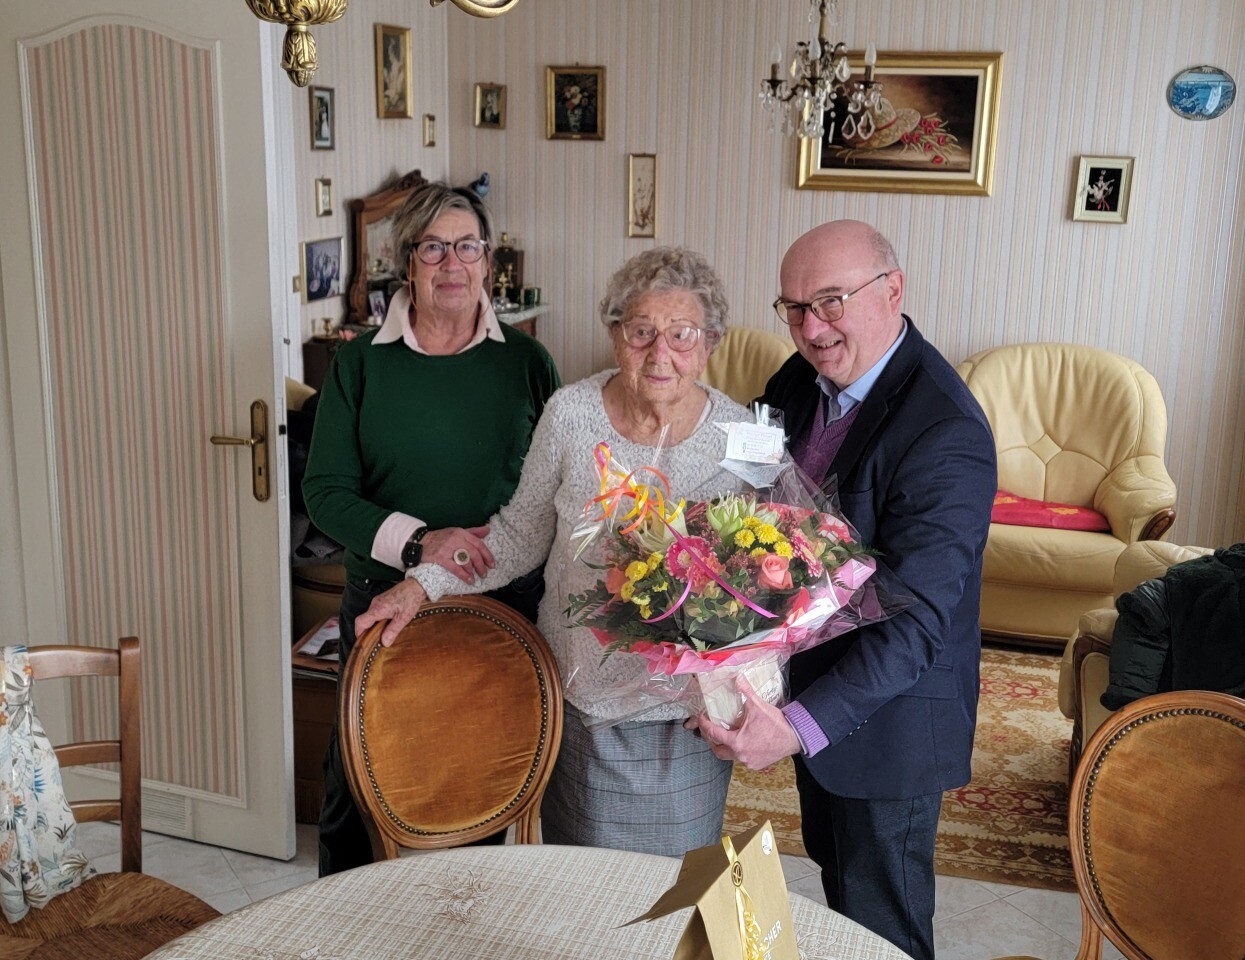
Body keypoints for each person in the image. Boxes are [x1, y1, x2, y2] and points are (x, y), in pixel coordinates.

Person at [355, 246, 751, 857]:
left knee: (676, 897)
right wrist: (419, 585)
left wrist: (751, 691)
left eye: (681, 334)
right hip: (578, 704)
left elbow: (760, 582)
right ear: (615, 335)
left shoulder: (741, 435)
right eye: (641, 331)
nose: (660, 352)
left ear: (711, 344)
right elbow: (518, 536)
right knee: (579, 891)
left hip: (686, 718)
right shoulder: (570, 415)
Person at [687, 220, 996, 960]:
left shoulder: (943, 429)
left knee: (881, 930)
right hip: (815, 702)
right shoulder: (801, 381)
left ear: (893, 291)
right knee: (838, 906)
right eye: (793, 308)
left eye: (830, 302)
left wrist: (797, 725)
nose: (811, 327)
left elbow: (916, 622)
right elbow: (754, 501)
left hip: (886, 725)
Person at [303, 181, 560, 876]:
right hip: (386, 609)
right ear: (406, 261)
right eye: (435, 248)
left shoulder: (527, 364)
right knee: (360, 791)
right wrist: (423, 542)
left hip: (499, 609)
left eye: (468, 246)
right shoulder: (360, 365)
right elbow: (325, 494)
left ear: (488, 257)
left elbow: (553, 491)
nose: (454, 264)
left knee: (477, 788)